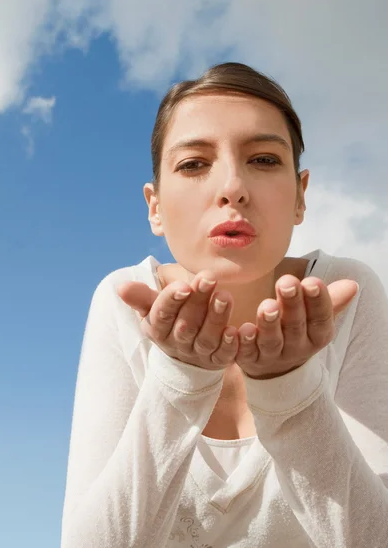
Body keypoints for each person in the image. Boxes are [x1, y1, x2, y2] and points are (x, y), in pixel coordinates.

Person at [60, 63, 388, 547]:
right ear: (154, 206)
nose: (232, 187)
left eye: (263, 160)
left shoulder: (346, 292)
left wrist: (291, 389)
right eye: (194, 164)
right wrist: (179, 378)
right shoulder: (125, 301)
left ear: (301, 197)